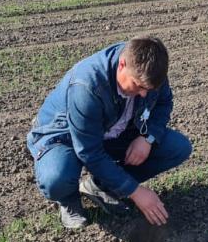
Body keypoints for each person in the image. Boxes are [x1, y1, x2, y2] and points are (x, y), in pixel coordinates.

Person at [27, 36, 192, 229]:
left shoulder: (151, 68)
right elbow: (89, 152)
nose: (144, 94)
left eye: (149, 89)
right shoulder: (88, 86)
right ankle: (69, 200)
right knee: (56, 178)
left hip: (114, 130)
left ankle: (101, 187)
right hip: (66, 136)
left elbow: (164, 103)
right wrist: (135, 191)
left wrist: (147, 138)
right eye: (138, 86)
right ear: (122, 65)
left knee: (177, 147)